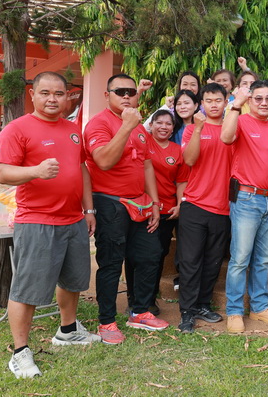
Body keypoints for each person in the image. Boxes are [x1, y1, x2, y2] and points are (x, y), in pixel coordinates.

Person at [0, 72, 100, 378]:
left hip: (73, 219)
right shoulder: (17, 129)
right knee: (27, 288)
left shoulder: (72, 129)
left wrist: (88, 209)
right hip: (37, 221)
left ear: (67, 96)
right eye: (45, 93)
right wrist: (36, 171)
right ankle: (20, 352)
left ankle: (67, 331)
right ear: (33, 95)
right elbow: (2, 173)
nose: (52, 99)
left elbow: (81, 168)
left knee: (73, 279)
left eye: (58, 93)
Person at [84, 73, 167, 345]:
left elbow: (146, 165)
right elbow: (104, 161)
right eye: (119, 92)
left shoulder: (139, 126)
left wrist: (155, 203)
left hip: (140, 203)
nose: (127, 96)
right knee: (111, 263)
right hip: (110, 203)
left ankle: (139, 311)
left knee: (149, 256)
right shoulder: (99, 124)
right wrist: (126, 126)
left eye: (131, 91)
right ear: (107, 95)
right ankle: (106, 321)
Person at [221, 80, 268, 333]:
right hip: (246, 199)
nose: (263, 103)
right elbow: (225, 137)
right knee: (240, 258)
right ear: (250, 100)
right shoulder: (240, 121)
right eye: (258, 98)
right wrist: (235, 106)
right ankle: (234, 310)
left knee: (263, 259)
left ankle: (259, 307)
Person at [177, 83, 233, 334]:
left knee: (213, 262)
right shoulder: (192, 129)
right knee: (190, 261)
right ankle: (187, 311)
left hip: (223, 207)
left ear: (226, 102)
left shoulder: (232, 130)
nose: (213, 104)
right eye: (208, 100)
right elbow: (189, 160)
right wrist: (199, 129)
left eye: (218, 100)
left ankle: (202, 304)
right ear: (201, 104)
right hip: (195, 204)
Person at [124, 110, 188, 315]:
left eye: (168, 124)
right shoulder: (143, 141)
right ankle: (133, 299)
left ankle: (149, 299)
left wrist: (179, 204)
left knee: (158, 255)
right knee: (135, 255)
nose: (163, 127)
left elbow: (181, 181)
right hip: (142, 208)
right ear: (150, 125)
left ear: (173, 128)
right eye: (158, 122)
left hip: (167, 211)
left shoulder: (177, 150)